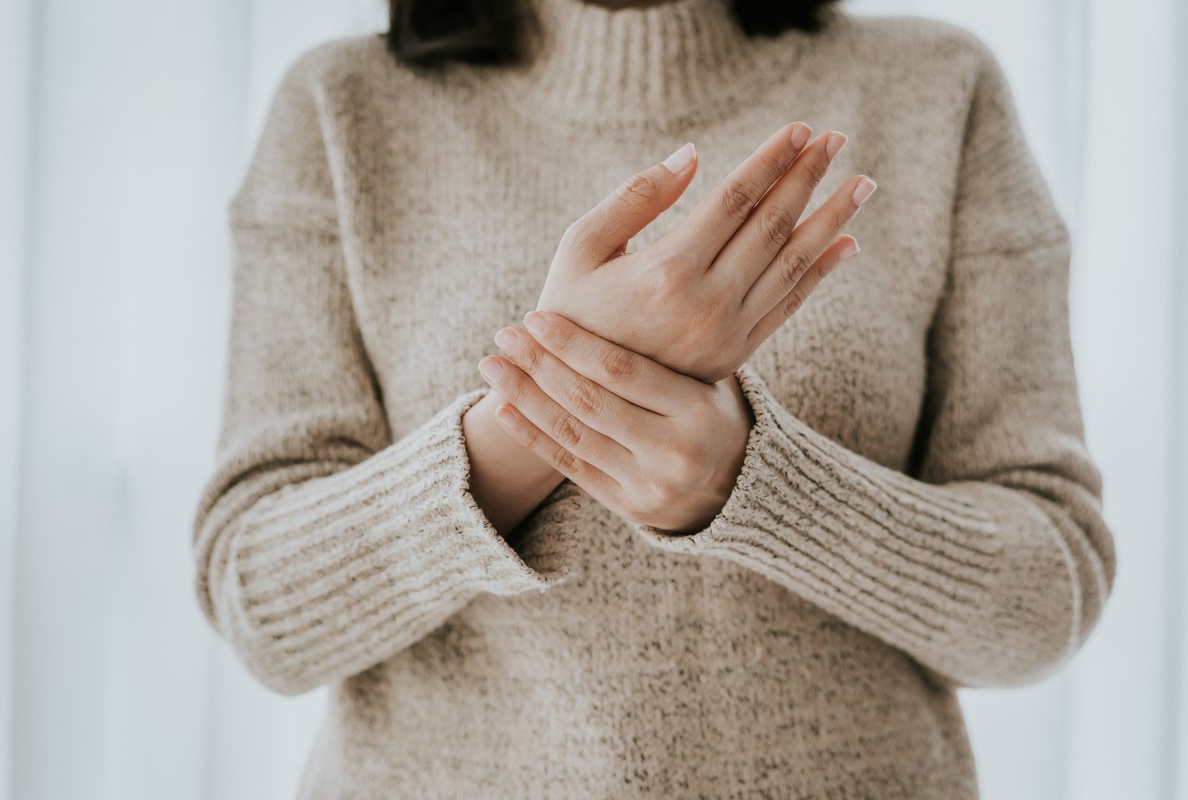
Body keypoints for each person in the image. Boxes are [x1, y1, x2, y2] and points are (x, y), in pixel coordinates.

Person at [191, 0, 1117, 796]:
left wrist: (751, 484)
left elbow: (1047, 601)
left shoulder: (938, 87)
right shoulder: (340, 107)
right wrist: (550, 412)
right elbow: (262, 607)